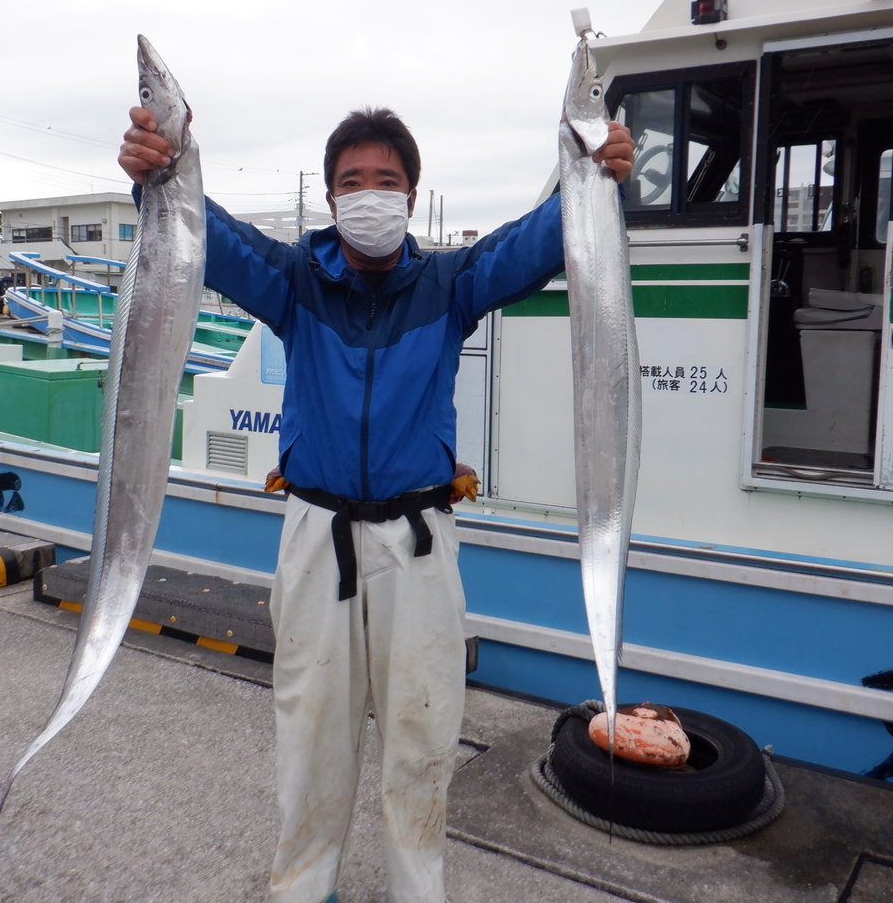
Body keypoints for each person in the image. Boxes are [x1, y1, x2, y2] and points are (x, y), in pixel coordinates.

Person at [119, 105, 633, 903]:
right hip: (317, 539)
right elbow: (203, 232)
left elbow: (540, 242)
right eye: (351, 182)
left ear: (413, 195)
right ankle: (301, 888)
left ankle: (415, 890)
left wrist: (595, 174)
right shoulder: (293, 283)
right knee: (310, 735)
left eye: (385, 182)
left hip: (418, 545)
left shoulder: (453, 284)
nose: (369, 196)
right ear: (329, 201)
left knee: (423, 739)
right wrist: (160, 168)